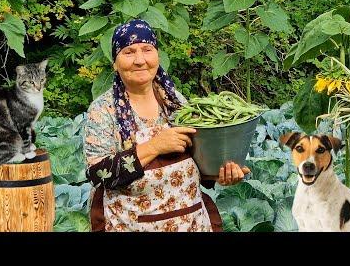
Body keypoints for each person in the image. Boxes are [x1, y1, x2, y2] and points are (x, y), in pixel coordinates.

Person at [82, 19, 250, 232]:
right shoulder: (103, 110)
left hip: (190, 224)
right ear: (115, 62)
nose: (140, 60)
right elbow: (98, 174)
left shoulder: (175, 101)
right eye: (129, 52)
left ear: (157, 56)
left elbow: (198, 163)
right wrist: (155, 146)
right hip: (131, 225)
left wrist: (220, 175)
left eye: (147, 49)